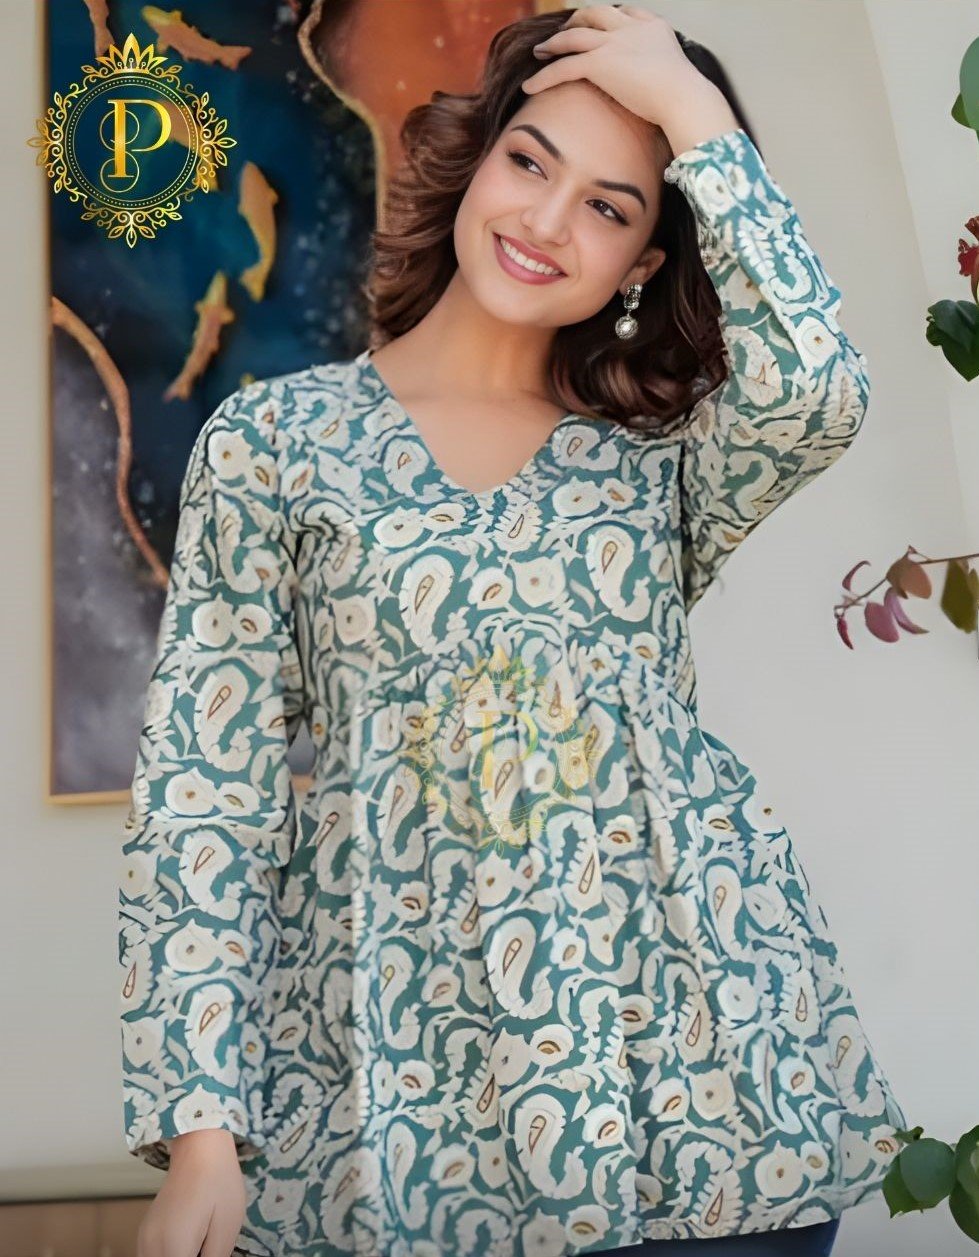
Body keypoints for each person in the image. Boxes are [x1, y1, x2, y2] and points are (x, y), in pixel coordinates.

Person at [117, 6, 907, 1256]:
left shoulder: (660, 459)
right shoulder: (275, 444)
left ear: (643, 261)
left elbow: (816, 392)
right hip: (406, 1112)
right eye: (530, 161)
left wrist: (694, 112)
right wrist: (200, 1129)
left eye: (608, 206)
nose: (545, 221)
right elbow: (206, 794)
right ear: (478, 158)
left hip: (704, 1094)